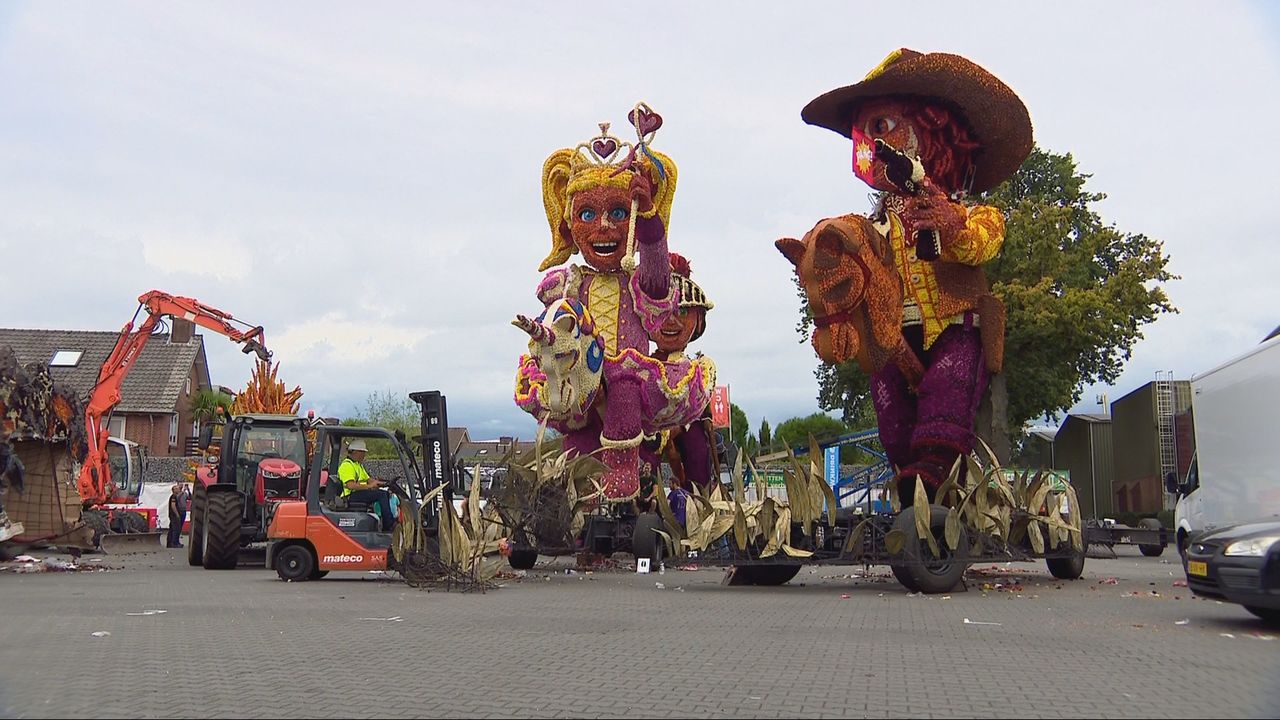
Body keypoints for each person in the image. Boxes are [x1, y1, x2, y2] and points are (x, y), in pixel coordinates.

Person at [784, 48, 1032, 505]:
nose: (869, 148)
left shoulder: (972, 213)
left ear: (930, 128)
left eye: (881, 128)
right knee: (887, 395)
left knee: (951, 378)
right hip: (896, 336)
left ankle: (936, 467)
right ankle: (907, 474)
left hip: (955, 326)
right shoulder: (873, 226)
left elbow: (984, 241)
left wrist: (951, 222)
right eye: (864, 134)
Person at [338, 439, 396, 531]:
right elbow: (351, 485)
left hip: (357, 493)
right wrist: (369, 487)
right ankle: (389, 525)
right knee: (381, 495)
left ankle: (386, 522)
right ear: (356, 452)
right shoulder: (347, 466)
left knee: (384, 493)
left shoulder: (357, 465)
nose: (364, 455)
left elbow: (369, 480)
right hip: (349, 496)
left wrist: (385, 484)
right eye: (363, 452)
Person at [166, 483, 186, 548]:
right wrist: (177, 514)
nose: (178, 490)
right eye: (176, 489)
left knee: (172, 529)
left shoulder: (174, 496)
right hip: (174, 515)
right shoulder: (174, 496)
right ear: (173, 490)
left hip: (173, 515)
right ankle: (174, 543)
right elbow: (173, 506)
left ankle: (169, 543)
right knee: (175, 529)